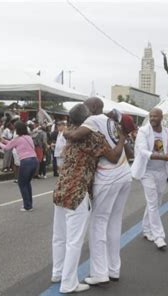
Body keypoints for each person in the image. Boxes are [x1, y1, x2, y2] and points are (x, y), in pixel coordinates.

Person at [51, 103, 124, 294]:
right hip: (78, 192)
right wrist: (123, 137)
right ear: (88, 119)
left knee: (59, 236)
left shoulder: (66, 132)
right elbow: (115, 157)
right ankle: (68, 284)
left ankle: (57, 272)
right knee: (74, 241)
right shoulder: (92, 137)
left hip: (60, 188)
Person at [131, 108, 168, 250]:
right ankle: (159, 236)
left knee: (156, 202)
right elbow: (142, 151)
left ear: (162, 117)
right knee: (152, 203)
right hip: (147, 171)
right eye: (151, 116)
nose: (152, 118)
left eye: (155, 116)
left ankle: (146, 229)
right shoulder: (143, 131)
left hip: (162, 171)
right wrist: (163, 156)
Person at [0, 121, 38, 212]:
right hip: (34, 160)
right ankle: (29, 203)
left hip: (26, 161)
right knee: (27, 183)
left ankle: (27, 206)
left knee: (22, 183)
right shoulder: (28, 137)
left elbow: (7, 148)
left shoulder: (17, 139)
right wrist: (3, 140)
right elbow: (13, 143)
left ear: (18, 130)